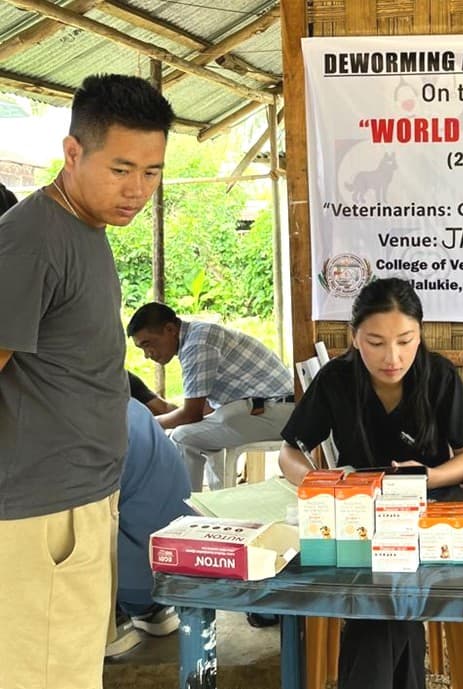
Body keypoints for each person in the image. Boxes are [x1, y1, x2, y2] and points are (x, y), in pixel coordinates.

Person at [0, 74, 174, 689]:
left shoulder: (86, 227)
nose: (137, 190)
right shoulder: (31, 239)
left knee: (72, 671)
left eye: (151, 172)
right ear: (72, 152)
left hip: (85, 501)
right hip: (43, 517)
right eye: (121, 169)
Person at [279, 277, 463, 689]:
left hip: (425, 518)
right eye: (375, 342)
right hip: (359, 518)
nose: (393, 357)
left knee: (383, 599)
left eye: (405, 341)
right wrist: (322, 484)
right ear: (354, 337)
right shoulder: (337, 379)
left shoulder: (438, 375)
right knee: (388, 596)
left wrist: (427, 476)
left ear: (420, 334)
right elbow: (290, 452)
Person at [126, 302, 295, 492]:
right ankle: (218, 498)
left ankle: (186, 505)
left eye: (147, 344)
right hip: (269, 410)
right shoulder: (196, 335)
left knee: (182, 438)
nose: (147, 355)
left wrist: (145, 425)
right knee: (200, 430)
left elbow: (191, 414)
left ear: (170, 329)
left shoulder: (197, 344)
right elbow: (202, 409)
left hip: (275, 413)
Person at [107, 395, 193, 657]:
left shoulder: (71, 418)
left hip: (131, 577)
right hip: (176, 569)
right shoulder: (131, 407)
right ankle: (151, 610)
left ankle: (108, 621)